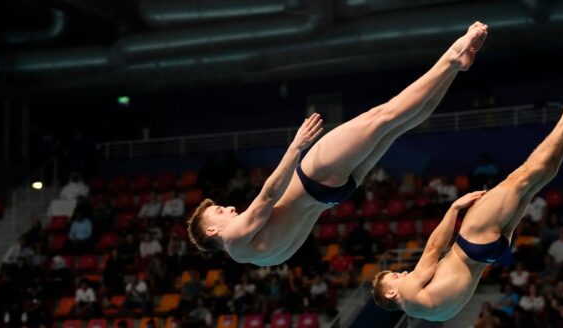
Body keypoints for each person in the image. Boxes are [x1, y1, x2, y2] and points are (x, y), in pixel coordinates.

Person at [187, 23, 488, 265]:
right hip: (312, 177)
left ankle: (455, 68)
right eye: (219, 212)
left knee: (396, 126)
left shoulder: (255, 257)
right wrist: (296, 147)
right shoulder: (235, 241)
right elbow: (267, 197)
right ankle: (451, 57)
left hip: (332, 195)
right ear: (212, 231)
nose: (227, 207)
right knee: (383, 116)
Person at [371, 89, 563, 320]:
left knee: (534, 185)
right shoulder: (409, 292)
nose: (403, 272)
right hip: (471, 242)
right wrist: (454, 209)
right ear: (392, 293)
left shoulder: (434, 315)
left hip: (491, 254)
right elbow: (434, 247)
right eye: (395, 276)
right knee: (522, 178)